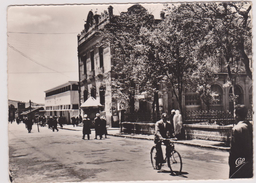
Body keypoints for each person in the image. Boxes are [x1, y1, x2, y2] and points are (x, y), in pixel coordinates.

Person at [229, 105, 253, 178]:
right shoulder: (251, 126)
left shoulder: (236, 129)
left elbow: (234, 151)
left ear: (237, 115)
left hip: (239, 163)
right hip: (250, 163)